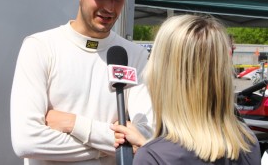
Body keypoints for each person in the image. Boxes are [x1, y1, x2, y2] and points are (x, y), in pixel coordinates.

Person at [10, 0, 153, 165]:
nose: (109, 8)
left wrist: (73, 123)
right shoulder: (40, 47)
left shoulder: (136, 56)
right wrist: (111, 146)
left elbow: (146, 138)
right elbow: (26, 140)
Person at [111, 14, 261, 164]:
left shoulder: (153, 156)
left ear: (165, 77)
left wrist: (150, 153)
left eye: (152, 58)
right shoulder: (248, 141)